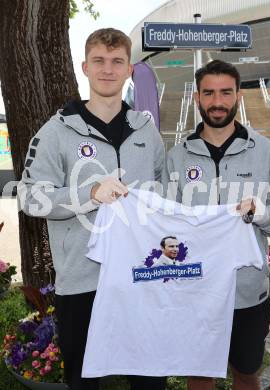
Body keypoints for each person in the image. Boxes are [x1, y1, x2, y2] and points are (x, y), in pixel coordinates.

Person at [18, 28, 166, 390]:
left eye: (117, 62)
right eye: (99, 61)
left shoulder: (147, 131)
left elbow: (165, 195)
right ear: (85, 67)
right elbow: (30, 197)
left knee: (150, 382)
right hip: (82, 285)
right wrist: (90, 193)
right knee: (84, 382)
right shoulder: (57, 131)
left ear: (129, 70)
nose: (108, 69)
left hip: (140, 280)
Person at [163, 59, 270, 390]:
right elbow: (164, 223)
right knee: (199, 374)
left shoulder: (266, 153)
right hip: (195, 290)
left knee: (247, 373)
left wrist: (260, 213)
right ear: (197, 98)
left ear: (239, 96)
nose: (217, 102)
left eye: (225, 92)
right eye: (209, 93)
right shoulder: (176, 157)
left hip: (247, 292)